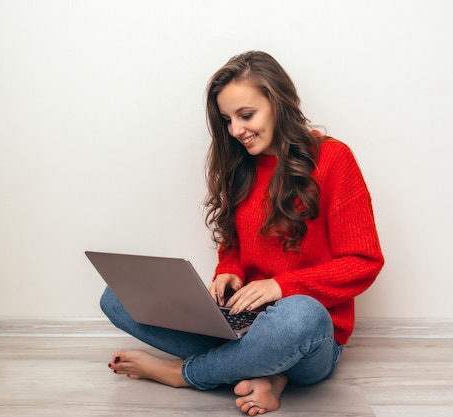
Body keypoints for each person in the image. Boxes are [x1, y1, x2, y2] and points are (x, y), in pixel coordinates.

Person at [100, 51, 384, 415]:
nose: (235, 130)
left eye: (246, 115)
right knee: (117, 295)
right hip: (242, 321)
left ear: (279, 103)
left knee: (301, 315)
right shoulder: (242, 167)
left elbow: (363, 262)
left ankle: (186, 374)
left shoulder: (332, 159)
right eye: (227, 120)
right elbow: (234, 244)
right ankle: (264, 375)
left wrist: (280, 287)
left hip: (304, 332)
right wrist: (227, 270)